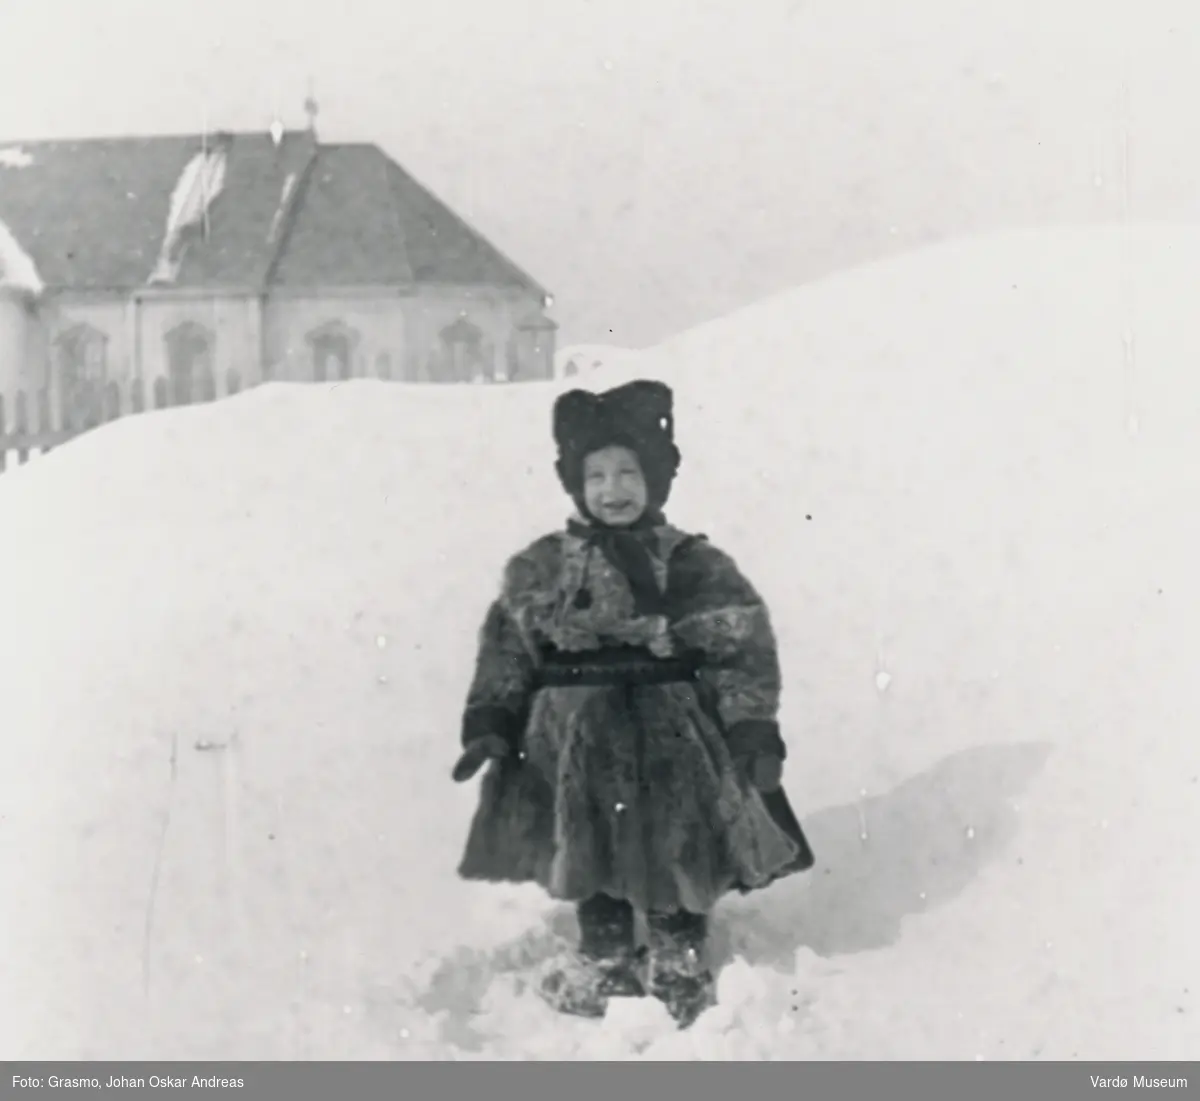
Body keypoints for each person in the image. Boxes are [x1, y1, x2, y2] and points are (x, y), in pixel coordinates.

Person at [450, 379, 814, 1028]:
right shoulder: (545, 565)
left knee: (673, 836)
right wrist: (492, 719)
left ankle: (678, 952)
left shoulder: (691, 561)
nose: (613, 488)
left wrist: (752, 727)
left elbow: (739, 645)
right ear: (575, 484)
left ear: (655, 478)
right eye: (597, 475)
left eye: (628, 471)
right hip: (573, 733)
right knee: (589, 841)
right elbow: (508, 647)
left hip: (669, 729)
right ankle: (606, 955)